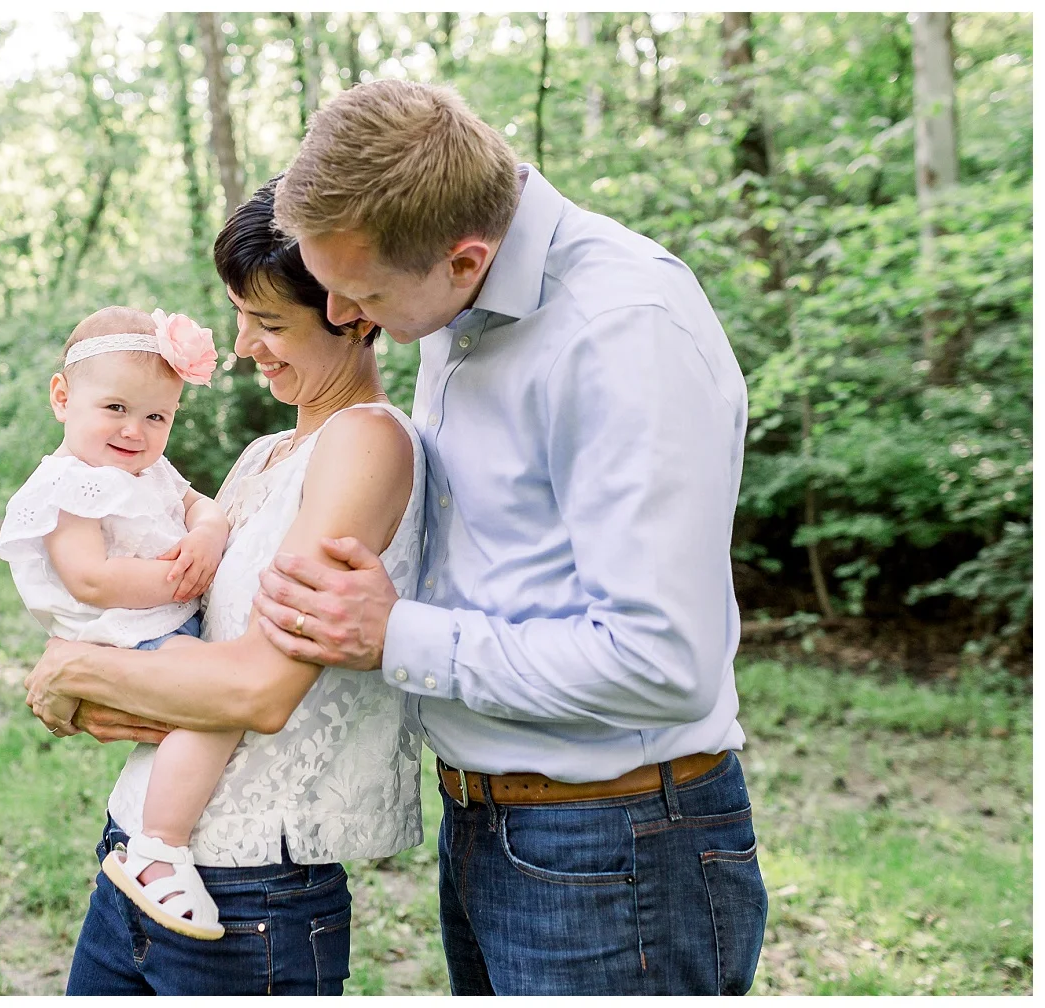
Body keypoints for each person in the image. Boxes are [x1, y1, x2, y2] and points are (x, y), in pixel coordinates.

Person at [249, 79, 769, 995]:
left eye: (360, 293)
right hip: (492, 829)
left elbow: (663, 658)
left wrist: (394, 635)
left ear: (465, 258)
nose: (341, 319)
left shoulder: (621, 333)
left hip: (617, 849)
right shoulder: (457, 299)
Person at [24, 176, 428, 995]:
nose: (245, 346)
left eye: (271, 321)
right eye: (241, 315)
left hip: (252, 896)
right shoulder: (262, 455)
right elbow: (185, 647)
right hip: (134, 853)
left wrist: (73, 668)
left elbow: (259, 689)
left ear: (357, 312)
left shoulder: (368, 444)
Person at [0, 305, 248, 941]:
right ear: (63, 397)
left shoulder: (149, 469)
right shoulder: (69, 483)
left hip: (156, 620)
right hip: (118, 628)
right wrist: (189, 577)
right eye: (115, 408)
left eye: (156, 416)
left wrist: (211, 532)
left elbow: (198, 504)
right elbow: (90, 578)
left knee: (206, 703)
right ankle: (159, 848)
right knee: (214, 706)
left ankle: (157, 831)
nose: (135, 430)